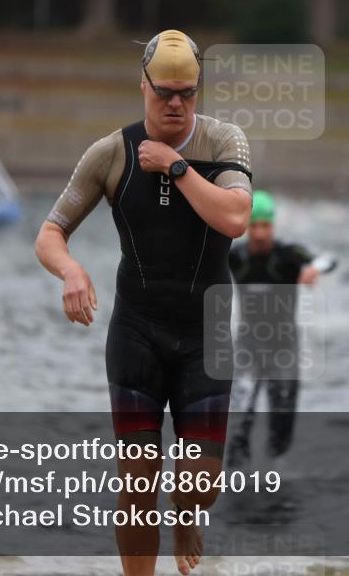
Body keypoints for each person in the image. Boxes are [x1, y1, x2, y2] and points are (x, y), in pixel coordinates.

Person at [35, 29, 252, 576]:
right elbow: (49, 234)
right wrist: (71, 270)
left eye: (187, 93)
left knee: (200, 486)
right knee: (136, 485)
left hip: (206, 333)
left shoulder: (224, 142)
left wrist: (176, 168)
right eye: (164, 93)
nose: (176, 104)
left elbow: (235, 218)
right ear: (143, 86)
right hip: (136, 331)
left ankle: (187, 515)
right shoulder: (110, 153)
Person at [225, 191, 328, 468]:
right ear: (246, 226)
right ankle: (236, 477)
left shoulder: (288, 254)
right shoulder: (235, 255)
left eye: (265, 226)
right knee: (237, 420)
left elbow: (327, 260)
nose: (259, 234)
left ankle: (275, 474)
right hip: (247, 343)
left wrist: (312, 270)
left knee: (281, 426)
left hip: (284, 345)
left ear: (273, 225)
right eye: (254, 225)